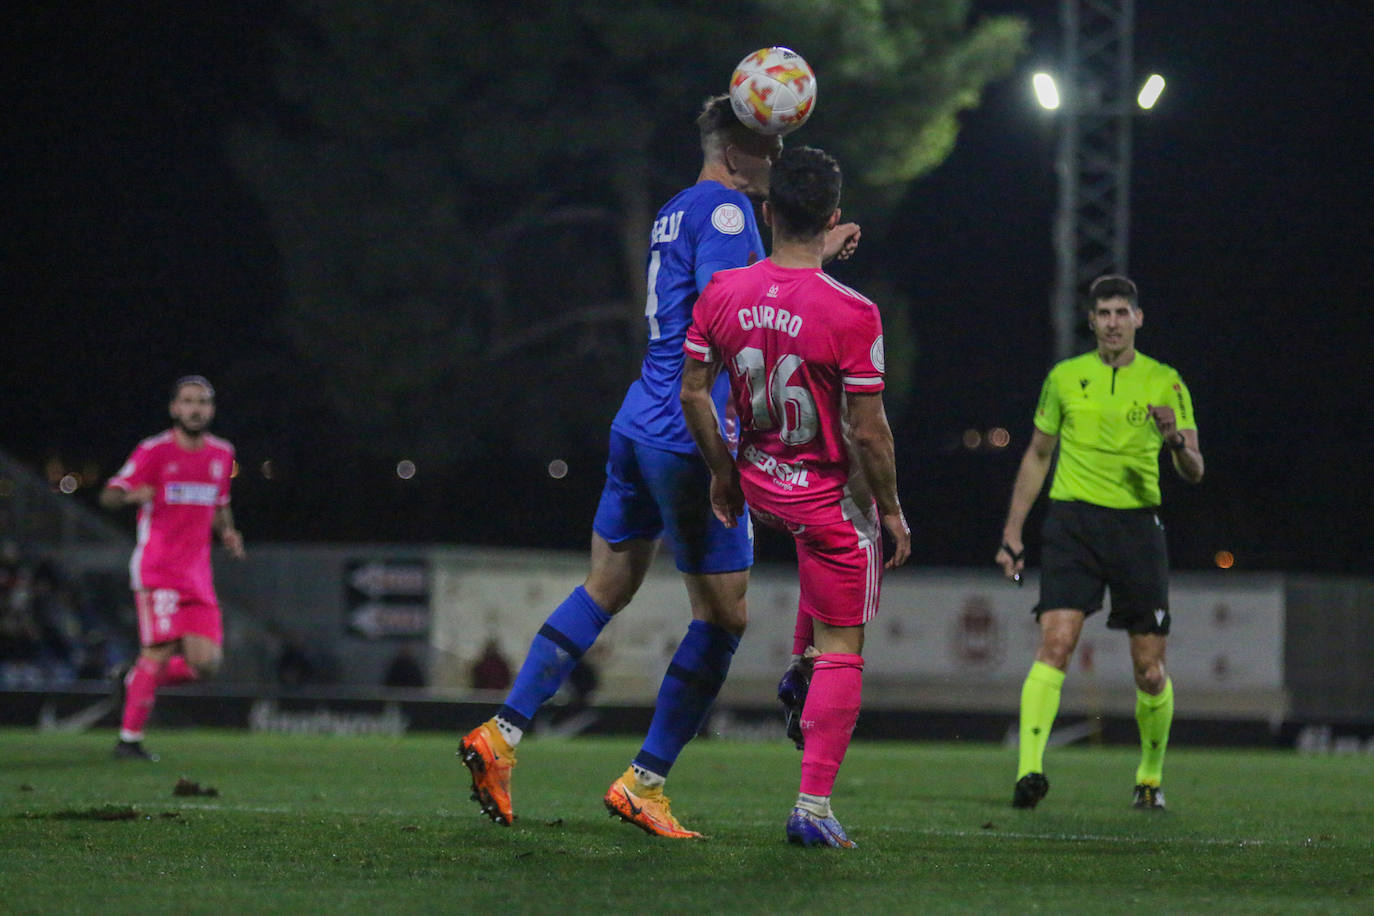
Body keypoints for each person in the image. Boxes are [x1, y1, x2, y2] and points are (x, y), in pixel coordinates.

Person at [458, 94, 860, 837]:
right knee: (725, 615)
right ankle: (644, 781)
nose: (773, 162)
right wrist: (815, 261)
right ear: (735, 151)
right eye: (766, 148)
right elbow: (726, 309)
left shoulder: (675, 207)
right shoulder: (731, 214)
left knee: (606, 585)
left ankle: (502, 734)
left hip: (636, 420)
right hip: (688, 428)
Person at [681, 145, 909, 848]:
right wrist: (893, 513)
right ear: (834, 217)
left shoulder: (722, 291)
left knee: (821, 549)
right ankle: (811, 804)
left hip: (756, 483)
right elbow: (869, 436)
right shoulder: (855, 314)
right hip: (822, 502)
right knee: (848, 637)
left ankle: (801, 672)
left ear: (767, 211)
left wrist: (723, 474)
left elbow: (693, 391)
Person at [995, 274, 1204, 811]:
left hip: (1137, 528)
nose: (1112, 322)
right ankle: (1029, 772)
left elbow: (1194, 470)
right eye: (1103, 313)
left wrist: (1175, 440)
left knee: (1149, 668)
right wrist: (1013, 531)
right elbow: (1039, 454)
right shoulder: (1065, 378)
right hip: (1073, 524)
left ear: (1138, 318)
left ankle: (1150, 778)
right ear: (1091, 321)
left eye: (1121, 312)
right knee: (1057, 642)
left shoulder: (1166, 382)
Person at [100, 376, 246, 760]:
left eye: (203, 402)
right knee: (159, 651)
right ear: (175, 408)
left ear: (211, 409)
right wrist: (132, 494)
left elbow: (219, 502)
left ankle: (133, 680)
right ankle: (128, 741)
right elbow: (109, 495)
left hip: (198, 577)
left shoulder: (222, 453)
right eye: (188, 401)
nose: (196, 408)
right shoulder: (154, 451)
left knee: (206, 664)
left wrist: (228, 533)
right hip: (158, 571)